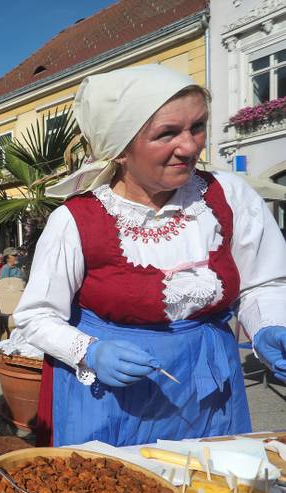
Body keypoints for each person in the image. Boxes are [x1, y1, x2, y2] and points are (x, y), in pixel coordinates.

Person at [14, 64, 286, 447]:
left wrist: (269, 325)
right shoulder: (76, 219)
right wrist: (90, 352)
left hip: (208, 387)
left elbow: (264, 281)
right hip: (112, 397)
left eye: (197, 126)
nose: (190, 147)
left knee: (213, 491)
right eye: (168, 133)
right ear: (121, 148)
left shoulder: (229, 195)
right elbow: (36, 316)